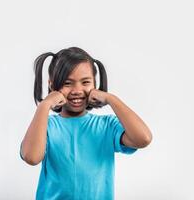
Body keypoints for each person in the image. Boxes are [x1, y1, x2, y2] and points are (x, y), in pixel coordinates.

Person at [20, 47, 152, 200]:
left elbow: (144, 139)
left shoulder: (107, 126)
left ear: (95, 85)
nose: (77, 90)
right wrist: (44, 105)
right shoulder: (45, 127)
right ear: (52, 85)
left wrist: (111, 99)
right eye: (67, 83)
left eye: (85, 82)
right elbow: (31, 157)